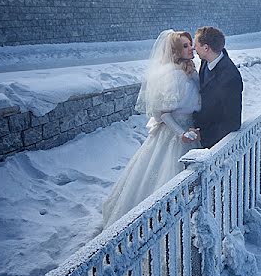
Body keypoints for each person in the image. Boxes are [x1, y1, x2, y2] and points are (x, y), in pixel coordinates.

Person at [102, 29, 201, 227]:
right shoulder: (172, 75)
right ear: (174, 52)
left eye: (191, 44)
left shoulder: (189, 70)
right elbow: (163, 113)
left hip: (192, 130)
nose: (191, 48)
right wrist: (180, 133)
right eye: (185, 46)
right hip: (176, 134)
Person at [193, 26, 243, 149]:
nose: (194, 48)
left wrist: (203, 135)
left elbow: (233, 122)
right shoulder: (206, 60)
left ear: (206, 48)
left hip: (217, 146)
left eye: (196, 45)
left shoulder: (229, 77)